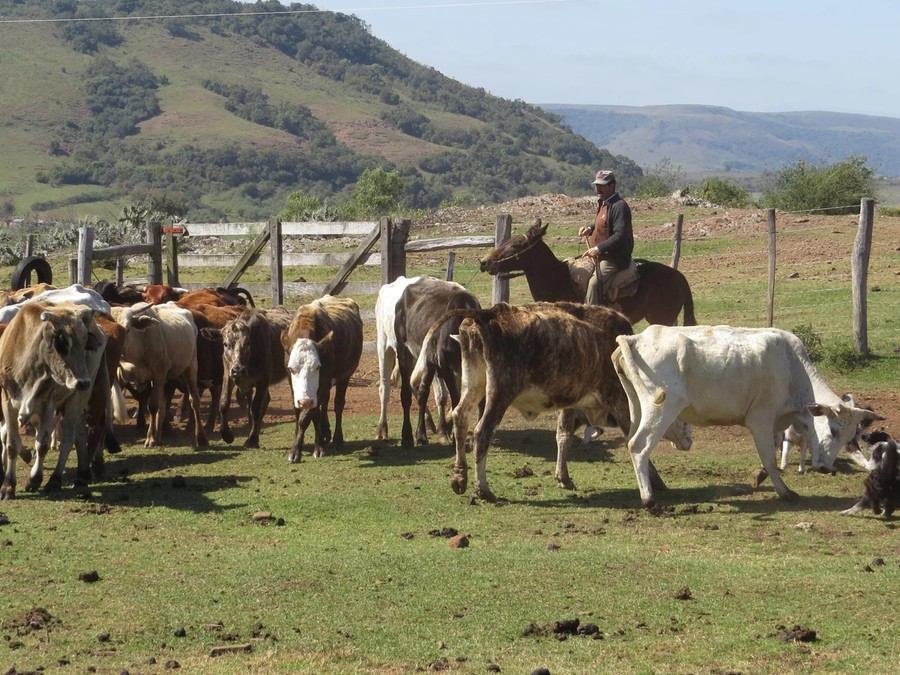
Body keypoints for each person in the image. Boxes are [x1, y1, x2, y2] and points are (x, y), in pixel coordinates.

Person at [578, 170, 634, 305]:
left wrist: (597, 248)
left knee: (594, 284)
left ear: (612, 185)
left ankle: (590, 315)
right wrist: (590, 229)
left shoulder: (619, 206)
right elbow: (603, 223)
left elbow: (620, 235)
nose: (598, 188)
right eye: (597, 185)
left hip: (613, 257)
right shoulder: (604, 203)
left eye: (602, 185)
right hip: (601, 254)